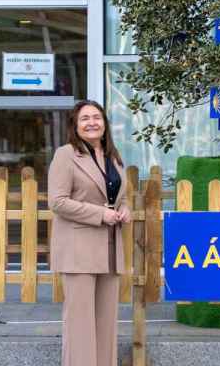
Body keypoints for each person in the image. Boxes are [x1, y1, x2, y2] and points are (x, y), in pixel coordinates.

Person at [49, 100, 132, 366]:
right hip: (79, 251)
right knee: (80, 325)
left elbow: (119, 196)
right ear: (75, 125)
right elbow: (57, 202)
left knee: (107, 324)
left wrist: (125, 208)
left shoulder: (112, 156)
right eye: (84, 118)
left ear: (104, 123)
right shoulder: (65, 155)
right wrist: (100, 214)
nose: (92, 123)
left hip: (110, 250)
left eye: (97, 117)